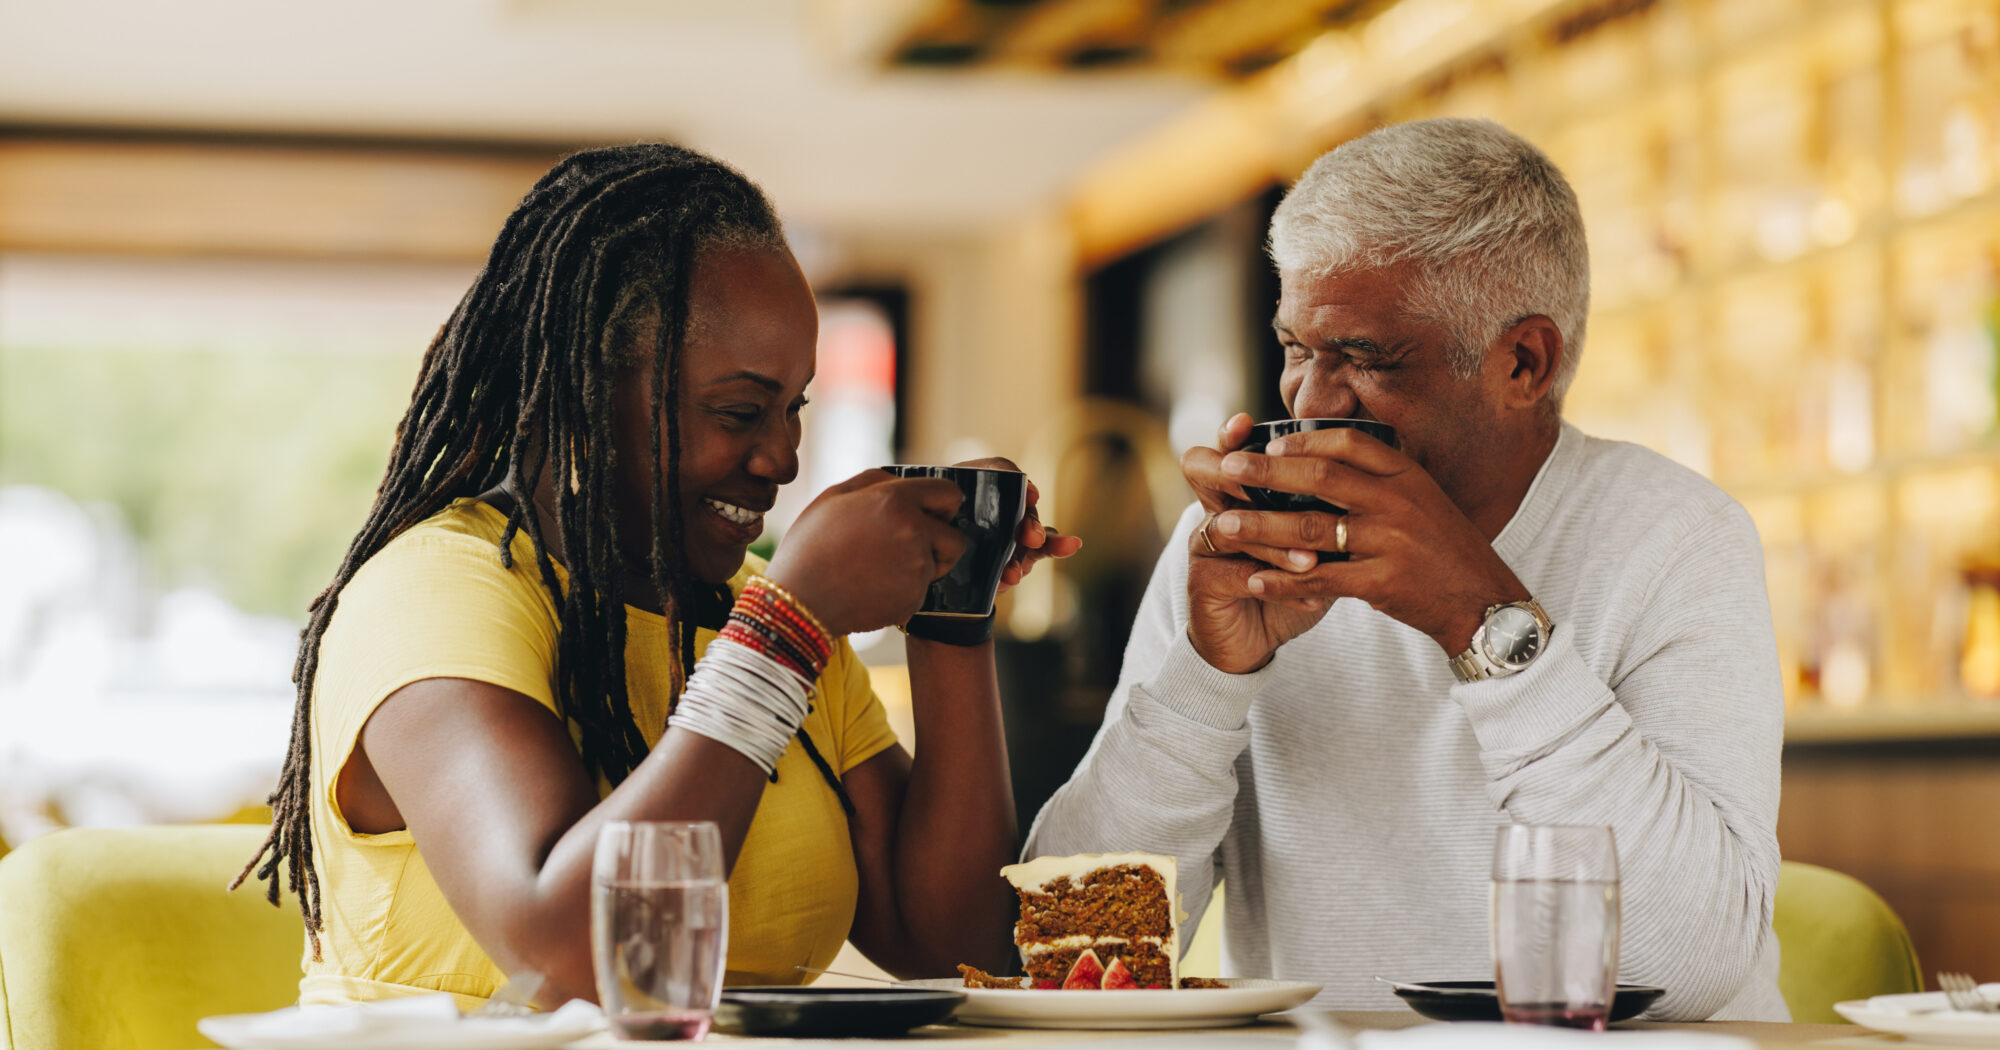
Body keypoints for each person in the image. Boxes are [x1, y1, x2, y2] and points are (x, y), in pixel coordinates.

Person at [234, 144, 1079, 1008]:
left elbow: (963, 946)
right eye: (740, 411)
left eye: (795, 410)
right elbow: (568, 960)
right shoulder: (440, 589)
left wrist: (951, 606)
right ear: (589, 392)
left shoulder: (759, 616)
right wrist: (790, 626)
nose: (784, 459)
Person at [1024, 118, 1786, 1021]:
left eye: (1366, 359)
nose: (1310, 402)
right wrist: (1205, 678)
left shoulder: (1678, 538)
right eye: (1297, 349)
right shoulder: (1231, 552)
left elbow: (1687, 968)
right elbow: (1069, 954)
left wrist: (1482, 620)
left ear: (1522, 362)